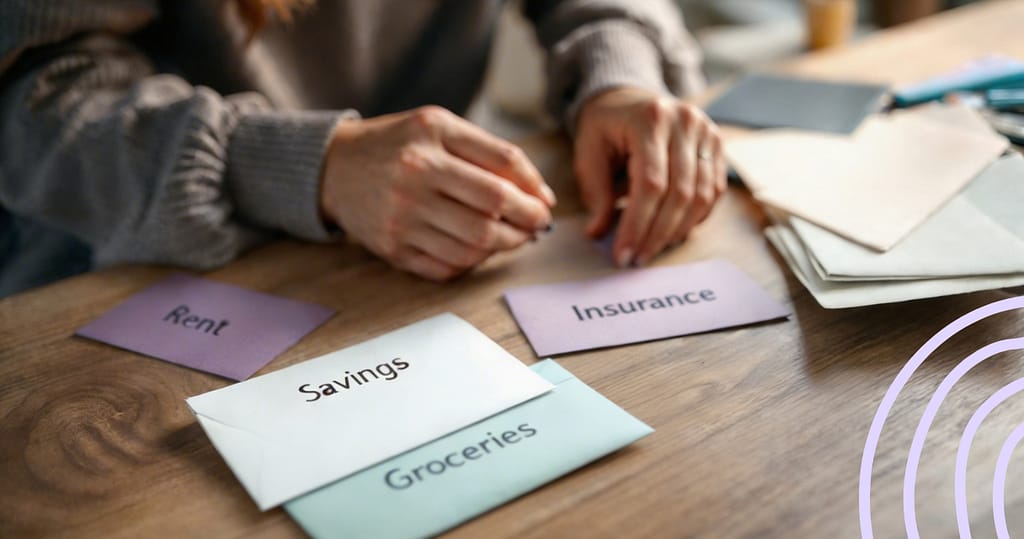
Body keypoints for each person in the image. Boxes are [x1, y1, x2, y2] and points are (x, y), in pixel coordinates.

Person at [0, 0, 726, 296]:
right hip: (111, 272)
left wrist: (619, 72)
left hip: (423, 264)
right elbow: (33, 106)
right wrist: (313, 166)